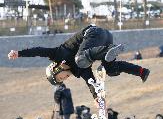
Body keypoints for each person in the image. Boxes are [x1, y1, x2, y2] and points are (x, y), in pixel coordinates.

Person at [8, 25, 150, 103]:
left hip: (94, 33)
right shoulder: (79, 71)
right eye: (62, 80)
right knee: (111, 70)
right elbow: (91, 82)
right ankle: (142, 72)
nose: (65, 78)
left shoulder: (57, 54)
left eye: (61, 77)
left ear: (56, 69)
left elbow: (39, 51)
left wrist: (19, 53)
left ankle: (108, 50)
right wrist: (97, 99)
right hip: (107, 39)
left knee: (80, 59)